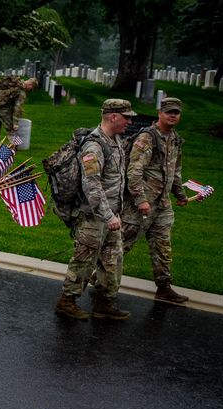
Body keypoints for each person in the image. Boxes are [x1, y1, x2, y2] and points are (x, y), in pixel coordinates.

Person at [54, 99, 135, 321]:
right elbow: (92, 185)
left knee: (113, 261)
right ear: (113, 117)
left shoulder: (116, 141)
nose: (130, 121)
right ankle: (67, 301)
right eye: (126, 117)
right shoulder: (94, 146)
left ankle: (104, 302)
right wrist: (107, 215)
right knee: (84, 260)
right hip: (93, 217)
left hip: (112, 217)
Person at [122, 97, 190, 304]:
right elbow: (134, 171)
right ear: (159, 113)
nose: (172, 115)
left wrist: (180, 195)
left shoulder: (175, 139)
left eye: (176, 112)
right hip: (141, 205)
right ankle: (101, 278)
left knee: (163, 247)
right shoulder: (147, 137)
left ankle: (164, 287)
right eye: (168, 111)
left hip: (162, 205)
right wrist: (141, 199)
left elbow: (175, 171)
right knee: (123, 243)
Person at [0, 75, 35, 148]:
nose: (30, 90)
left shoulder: (9, 83)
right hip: (4, 110)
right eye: (32, 88)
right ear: (30, 84)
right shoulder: (21, 91)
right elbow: (18, 108)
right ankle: (14, 146)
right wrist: (15, 123)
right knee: (10, 129)